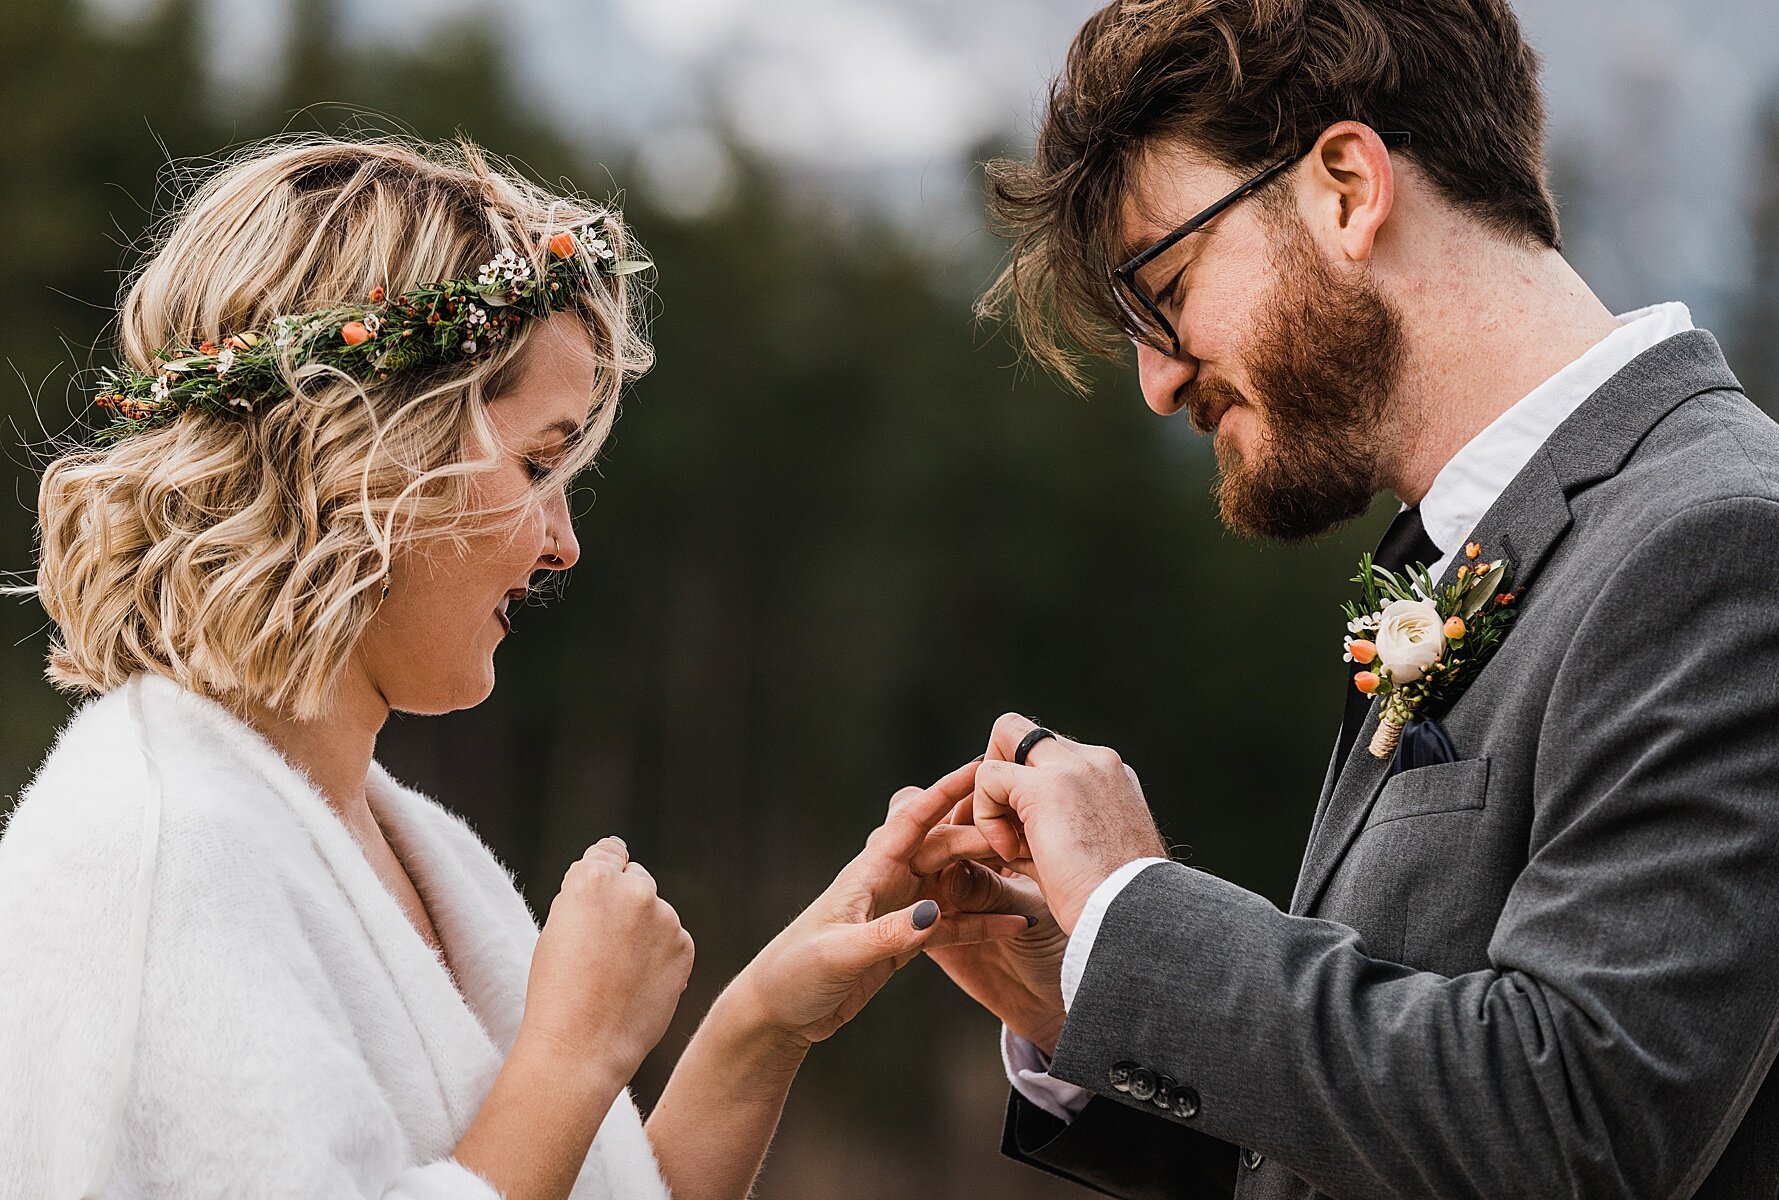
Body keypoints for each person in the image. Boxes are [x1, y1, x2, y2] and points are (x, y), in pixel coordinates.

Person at [0, 136, 1027, 1200]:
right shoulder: (156, 857)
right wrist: (572, 1057)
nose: (563, 542)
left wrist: (765, 1020)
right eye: (539, 462)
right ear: (365, 451)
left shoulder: (405, 841)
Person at [904, 1, 1779, 1197]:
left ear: (1343, 188)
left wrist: (1142, 915)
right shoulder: (1475, 550)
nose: (1159, 384)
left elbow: (1583, 1131)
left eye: (1163, 288)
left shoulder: (1725, 547)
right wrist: (1095, 1002)